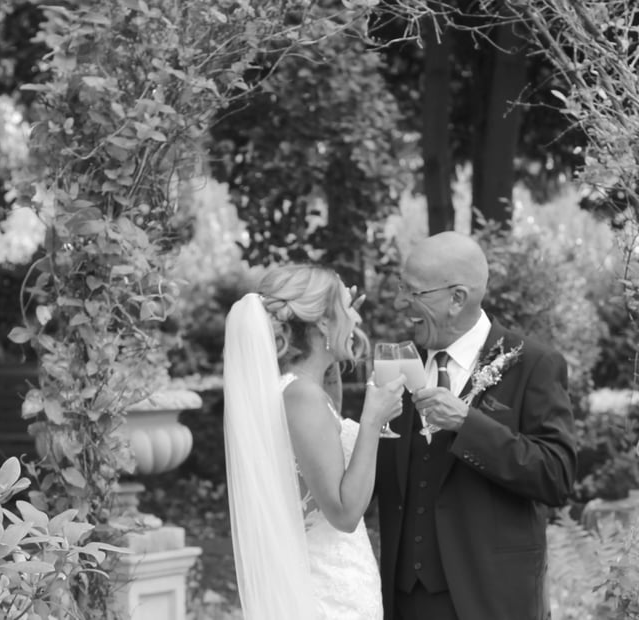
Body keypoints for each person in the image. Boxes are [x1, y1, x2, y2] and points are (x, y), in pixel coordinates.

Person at [375, 231, 578, 620]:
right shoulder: (397, 360)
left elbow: (556, 476)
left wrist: (468, 425)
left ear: (457, 298)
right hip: (406, 599)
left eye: (414, 292)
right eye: (402, 287)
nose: (401, 302)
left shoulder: (533, 364)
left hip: (493, 598)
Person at [223, 263, 405, 619]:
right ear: (322, 323)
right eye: (349, 309)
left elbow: (328, 416)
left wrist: (336, 323)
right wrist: (373, 420)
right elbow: (344, 513)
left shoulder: (299, 391)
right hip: (328, 593)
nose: (357, 319)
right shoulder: (303, 397)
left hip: (332, 578)